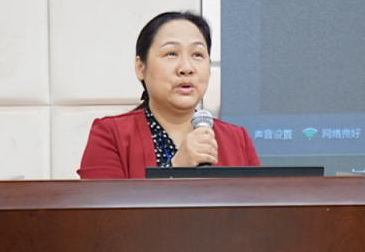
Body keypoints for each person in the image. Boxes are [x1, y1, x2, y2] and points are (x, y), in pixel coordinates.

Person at [77, 11, 260, 179]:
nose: (186, 68)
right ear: (140, 67)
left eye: (197, 55)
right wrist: (176, 168)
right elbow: (103, 205)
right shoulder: (111, 135)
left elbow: (258, 202)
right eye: (171, 54)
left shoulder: (238, 140)